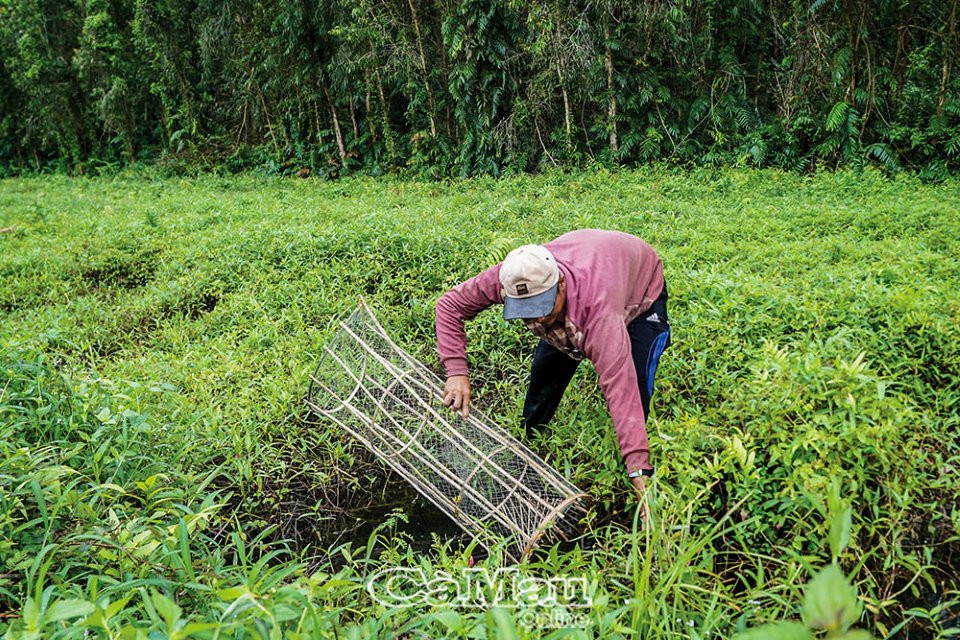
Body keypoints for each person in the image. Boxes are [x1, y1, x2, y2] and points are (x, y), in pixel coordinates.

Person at [434, 228, 671, 511]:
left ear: (560, 283)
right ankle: (530, 442)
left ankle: (634, 465)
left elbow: (621, 388)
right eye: (526, 309)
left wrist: (638, 472)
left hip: (638, 283)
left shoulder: (599, 312)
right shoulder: (515, 274)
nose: (536, 317)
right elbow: (449, 305)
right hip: (588, 264)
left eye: (542, 306)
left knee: (637, 380)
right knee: (544, 378)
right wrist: (457, 371)